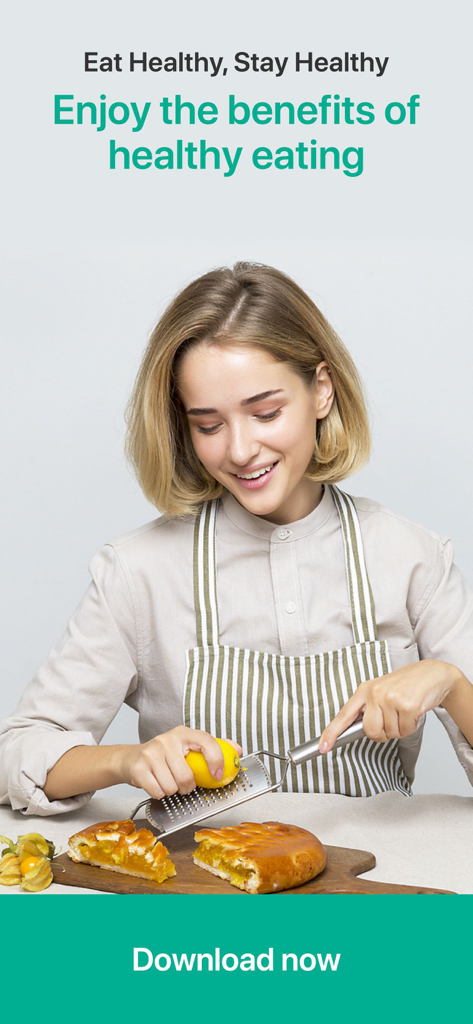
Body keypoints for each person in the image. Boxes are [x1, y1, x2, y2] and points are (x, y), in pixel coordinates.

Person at [1, 262, 473, 816]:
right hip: (205, 884)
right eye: (208, 425)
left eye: (266, 412)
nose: (241, 449)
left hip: (377, 886)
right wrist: (126, 762)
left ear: (322, 390)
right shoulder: (139, 572)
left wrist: (451, 683)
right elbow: (17, 751)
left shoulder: (412, 557)